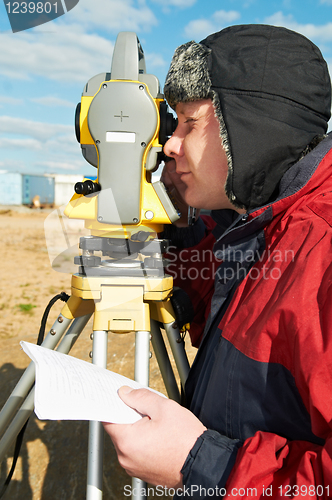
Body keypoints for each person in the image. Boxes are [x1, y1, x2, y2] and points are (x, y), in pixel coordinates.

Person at [103, 24, 332, 498]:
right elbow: (210, 276)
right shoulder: (260, 223)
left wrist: (203, 465)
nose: (169, 144)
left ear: (249, 128)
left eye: (189, 122)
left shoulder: (322, 250)